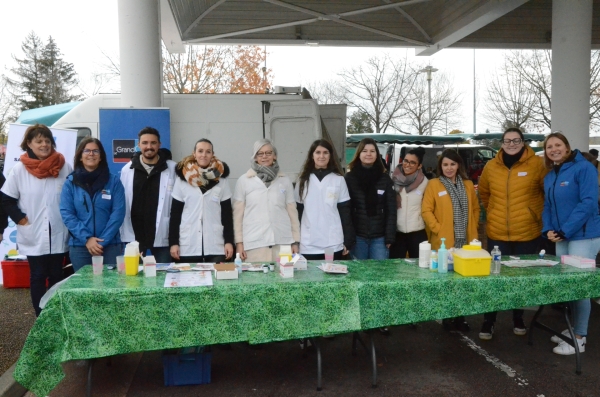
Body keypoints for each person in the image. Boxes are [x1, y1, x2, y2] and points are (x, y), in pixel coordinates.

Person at [476, 127, 547, 340]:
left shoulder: (537, 164)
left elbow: (545, 192)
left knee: (520, 278)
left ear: (523, 142)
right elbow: (485, 193)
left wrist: (533, 214)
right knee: (495, 278)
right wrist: (495, 213)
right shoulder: (491, 166)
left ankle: (518, 317)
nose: (512, 144)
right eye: (508, 140)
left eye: (516, 140)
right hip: (498, 233)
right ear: (501, 142)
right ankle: (489, 321)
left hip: (527, 232)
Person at [1, 124, 71, 316]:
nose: (44, 144)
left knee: (57, 275)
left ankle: (56, 315)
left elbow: (72, 195)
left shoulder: (64, 166)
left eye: (47, 141)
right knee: (38, 275)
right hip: (33, 231)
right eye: (39, 141)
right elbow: (7, 199)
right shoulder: (19, 169)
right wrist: (20, 219)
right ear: (29, 144)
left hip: (58, 230)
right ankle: (41, 316)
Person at [542, 132, 600, 355]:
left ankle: (580, 337)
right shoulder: (551, 175)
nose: (554, 149)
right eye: (549, 147)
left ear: (567, 147)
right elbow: (547, 206)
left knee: (579, 286)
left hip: (583, 236)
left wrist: (565, 230)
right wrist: (548, 230)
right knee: (568, 286)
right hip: (561, 236)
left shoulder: (583, 168)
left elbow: (588, 203)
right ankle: (573, 328)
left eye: (558, 145)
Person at [422, 149, 480, 332]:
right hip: (445, 242)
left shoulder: (468, 184)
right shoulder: (434, 184)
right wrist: (439, 230)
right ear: (441, 166)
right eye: (445, 164)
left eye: (452, 164)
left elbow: (476, 209)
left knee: (463, 281)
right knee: (446, 281)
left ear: (458, 166)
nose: (449, 168)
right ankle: (448, 316)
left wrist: (473, 227)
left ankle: (461, 317)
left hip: (466, 241)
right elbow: (426, 211)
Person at [60, 138, 126, 271]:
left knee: (110, 289)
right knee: (83, 289)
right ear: (80, 156)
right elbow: (67, 213)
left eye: (96, 151)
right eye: (87, 151)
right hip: (80, 247)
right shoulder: (70, 182)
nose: (91, 154)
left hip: (110, 246)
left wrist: (102, 241)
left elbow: (118, 213)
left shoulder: (113, 182)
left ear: (101, 157)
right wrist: (87, 239)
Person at [233, 139, 300, 262]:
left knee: (284, 278)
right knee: (256, 280)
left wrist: (295, 241)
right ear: (255, 157)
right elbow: (237, 216)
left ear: (275, 156)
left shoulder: (284, 180)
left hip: (283, 243)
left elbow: (292, 213)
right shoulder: (244, 181)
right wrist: (239, 243)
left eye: (268, 153)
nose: (264, 156)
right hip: (254, 244)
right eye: (260, 153)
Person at [169, 139, 234, 263]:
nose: (204, 155)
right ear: (194, 154)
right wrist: (173, 243)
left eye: (208, 152)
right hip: (188, 245)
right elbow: (175, 215)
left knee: (218, 281)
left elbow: (227, 215)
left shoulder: (222, 180)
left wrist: (229, 241)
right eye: (200, 151)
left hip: (216, 246)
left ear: (212, 154)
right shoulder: (182, 180)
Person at [120, 127, 177, 263]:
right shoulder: (127, 170)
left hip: (162, 234)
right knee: (134, 279)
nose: (149, 147)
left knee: (165, 277)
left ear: (159, 145)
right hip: (135, 235)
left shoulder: (172, 168)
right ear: (139, 145)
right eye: (145, 143)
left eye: (153, 143)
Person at [294, 139, 355, 260]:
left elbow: (345, 212)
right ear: (312, 155)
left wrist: (348, 239)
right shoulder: (302, 181)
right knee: (311, 278)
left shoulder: (338, 179)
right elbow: (297, 212)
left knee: (332, 277)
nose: (321, 156)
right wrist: (295, 240)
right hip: (308, 243)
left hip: (333, 242)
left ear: (330, 156)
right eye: (318, 152)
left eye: (325, 152)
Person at [344, 138, 396, 260]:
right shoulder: (349, 178)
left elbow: (391, 210)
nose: (368, 154)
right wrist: (348, 237)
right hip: (357, 237)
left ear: (377, 154)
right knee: (358, 275)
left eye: (372, 151)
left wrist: (390, 236)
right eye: (365, 151)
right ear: (359, 154)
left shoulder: (385, 179)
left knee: (379, 274)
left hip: (380, 238)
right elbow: (346, 210)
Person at [389, 147, 429, 259]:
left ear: (419, 166)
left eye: (413, 162)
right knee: (396, 268)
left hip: (417, 231)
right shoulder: (393, 180)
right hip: (397, 232)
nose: (408, 164)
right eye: (406, 161)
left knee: (419, 267)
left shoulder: (425, 183)